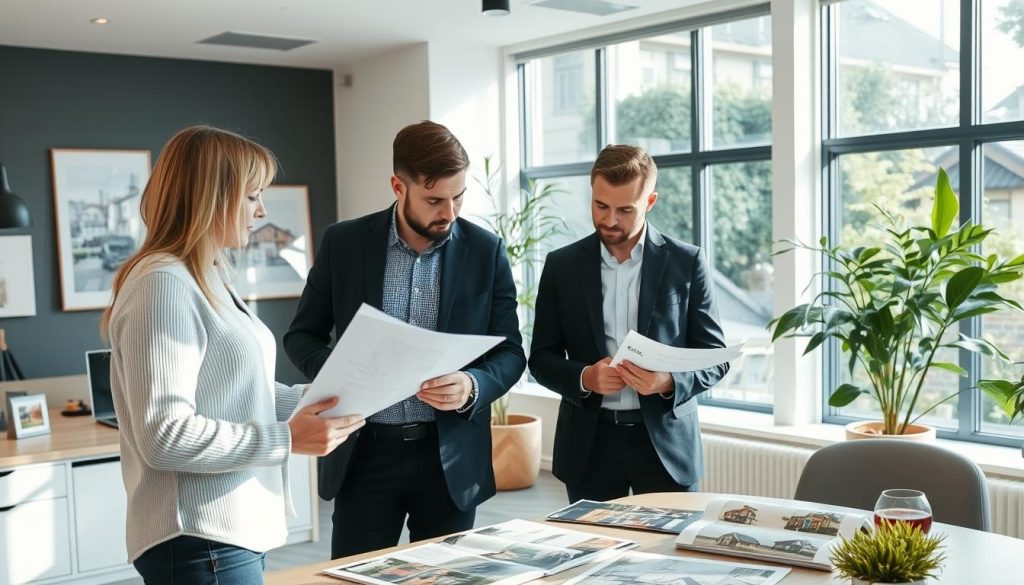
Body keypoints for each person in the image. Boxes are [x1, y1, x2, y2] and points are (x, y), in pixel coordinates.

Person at [103, 125, 365, 584]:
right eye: (251, 196)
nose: (261, 211)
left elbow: (237, 392)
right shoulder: (162, 286)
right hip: (199, 539)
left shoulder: (205, 278)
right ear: (209, 198)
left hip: (225, 535)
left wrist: (326, 395)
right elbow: (164, 434)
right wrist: (286, 438)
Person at [284, 120, 526, 558]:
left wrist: (473, 385)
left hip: (449, 456)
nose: (449, 213)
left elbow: (510, 352)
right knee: (354, 575)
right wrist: (342, 375)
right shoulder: (344, 243)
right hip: (365, 454)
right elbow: (302, 335)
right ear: (399, 186)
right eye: (434, 199)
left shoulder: (486, 250)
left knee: (444, 576)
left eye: (458, 197)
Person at [528, 144, 730, 503]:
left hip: (666, 446)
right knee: (593, 554)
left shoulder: (687, 262)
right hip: (590, 447)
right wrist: (585, 377)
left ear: (650, 202)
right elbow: (541, 358)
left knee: (671, 556)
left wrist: (668, 382)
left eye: (625, 210)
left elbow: (716, 356)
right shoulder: (562, 267)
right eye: (600, 205)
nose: (609, 220)